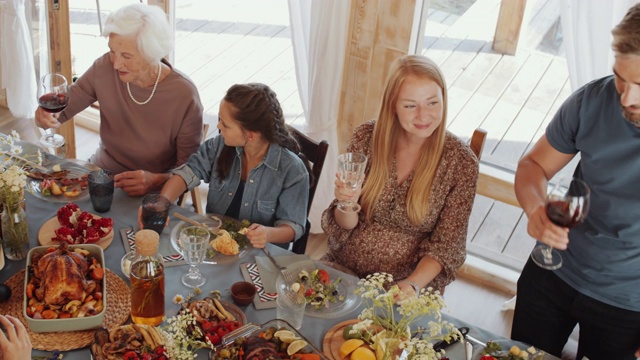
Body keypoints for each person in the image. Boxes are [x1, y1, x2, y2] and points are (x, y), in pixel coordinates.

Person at [511, 4, 640, 359]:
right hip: (552, 272)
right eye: (621, 78)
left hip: (629, 302)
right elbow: (534, 165)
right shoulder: (593, 100)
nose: (627, 99)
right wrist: (536, 208)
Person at [321, 55, 478, 296]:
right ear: (392, 104)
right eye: (410, 105)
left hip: (408, 286)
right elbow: (345, 224)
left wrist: (411, 285)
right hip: (343, 268)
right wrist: (347, 203)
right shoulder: (365, 137)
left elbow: (447, 247)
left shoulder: (461, 163)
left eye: (432, 103)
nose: (423, 116)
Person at [34, 3, 203, 197]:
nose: (116, 63)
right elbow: (61, 111)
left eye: (127, 56)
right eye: (112, 51)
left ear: (152, 53)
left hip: (151, 189)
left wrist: (156, 180)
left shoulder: (183, 95)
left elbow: (191, 170)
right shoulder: (104, 67)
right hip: (101, 173)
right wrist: (44, 117)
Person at [156, 83, 309, 249]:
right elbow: (188, 173)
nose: (218, 127)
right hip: (215, 245)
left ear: (251, 135)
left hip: (260, 255)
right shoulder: (219, 145)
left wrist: (267, 233)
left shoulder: (293, 170)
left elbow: (293, 226)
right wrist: (161, 204)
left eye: (225, 124)